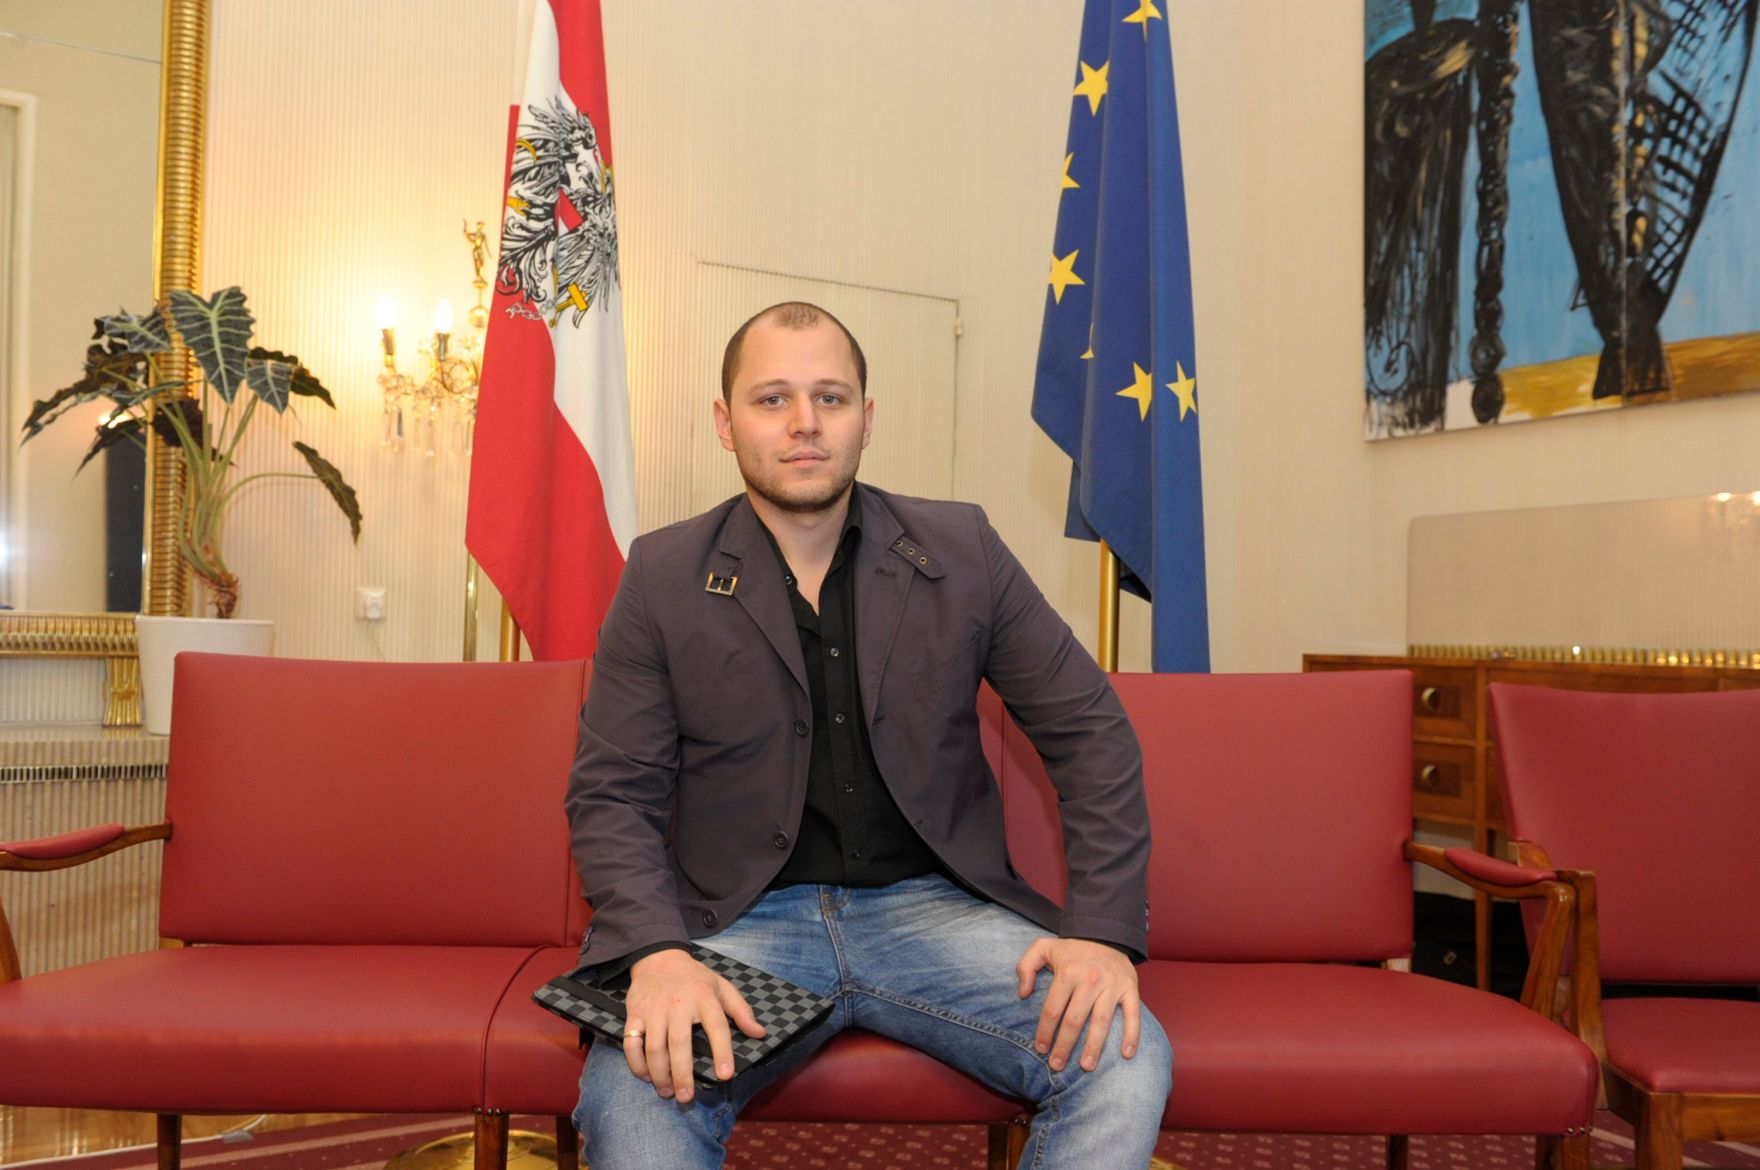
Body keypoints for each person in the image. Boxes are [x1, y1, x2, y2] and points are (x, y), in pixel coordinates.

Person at [566, 301, 1171, 1168]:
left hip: (934, 913)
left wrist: (1104, 935)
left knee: (1125, 1053)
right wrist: (657, 953)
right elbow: (611, 793)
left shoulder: (962, 548)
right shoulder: (662, 575)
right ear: (724, 424)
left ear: (868, 418)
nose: (805, 424)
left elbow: (1092, 733)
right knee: (634, 1091)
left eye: (831, 398)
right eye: (772, 399)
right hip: (737, 924)